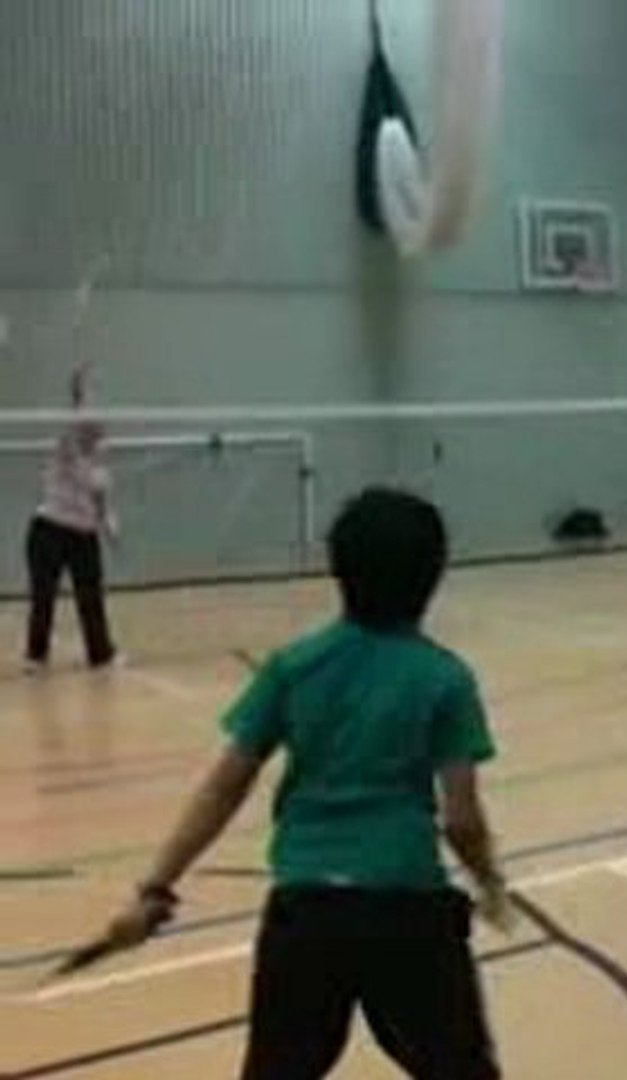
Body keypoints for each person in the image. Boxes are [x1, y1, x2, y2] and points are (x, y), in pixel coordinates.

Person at [99, 487, 512, 1079]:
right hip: (407, 912)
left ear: (338, 570)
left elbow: (223, 788)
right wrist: (489, 881)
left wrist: (155, 888)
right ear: (433, 576)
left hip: (306, 916)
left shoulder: (294, 667)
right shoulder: (445, 678)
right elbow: (463, 819)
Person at [24, 365, 119, 672]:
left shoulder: (101, 443)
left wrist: (107, 518)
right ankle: (36, 656)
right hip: (50, 528)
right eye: (90, 391)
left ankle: (101, 655)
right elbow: (79, 434)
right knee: (44, 596)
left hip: (84, 531)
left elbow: (99, 486)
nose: (97, 399)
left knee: (91, 597)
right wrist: (81, 398)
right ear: (79, 398)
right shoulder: (68, 434)